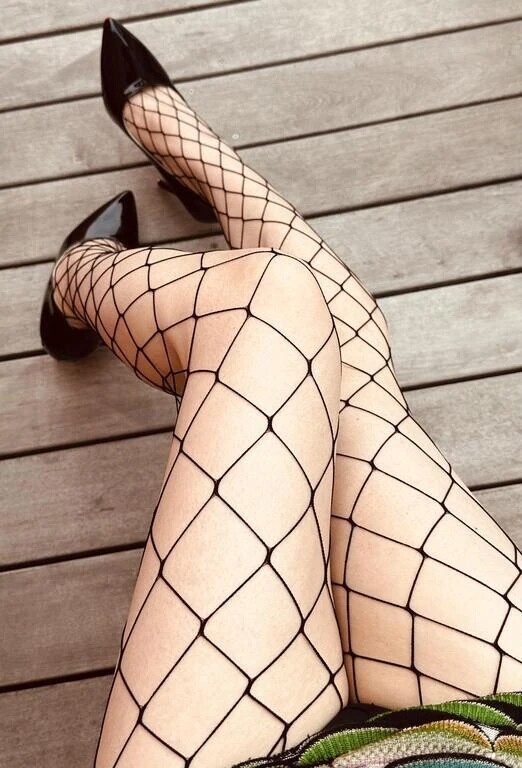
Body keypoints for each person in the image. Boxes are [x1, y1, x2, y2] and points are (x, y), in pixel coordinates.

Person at [39, 19, 522, 768]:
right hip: (496, 737)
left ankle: (89, 269)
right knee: (346, 347)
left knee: (269, 302)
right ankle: (199, 175)